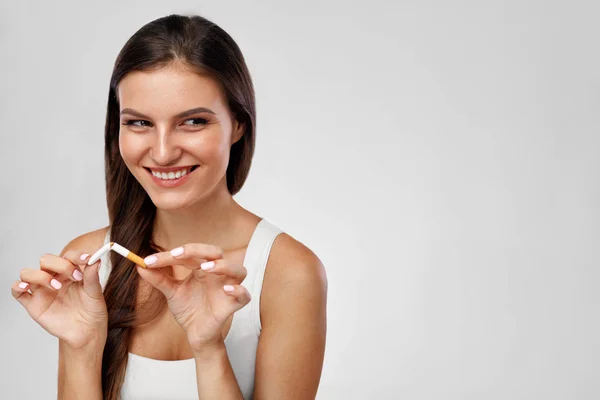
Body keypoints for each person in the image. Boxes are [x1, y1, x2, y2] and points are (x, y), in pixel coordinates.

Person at [11, 14, 327, 400]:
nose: (162, 153)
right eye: (140, 123)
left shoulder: (289, 274)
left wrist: (209, 350)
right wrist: (81, 349)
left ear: (238, 125)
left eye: (193, 121)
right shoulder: (90, 265)